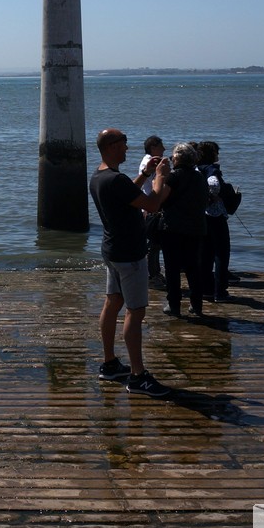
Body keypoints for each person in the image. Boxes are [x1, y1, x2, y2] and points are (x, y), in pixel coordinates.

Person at [89, 128, 173, 398]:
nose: (127, 149)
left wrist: (146, 174)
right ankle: (138, 376)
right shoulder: (116, 180)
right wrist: (160, 178)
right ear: (113, 146)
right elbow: (152, 204)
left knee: (113, 301)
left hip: (112, 250)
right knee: (135, 312)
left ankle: (110, 363)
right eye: (124, 145)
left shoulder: (100, 177)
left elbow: (127, 195)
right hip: (130, 254)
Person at [154, 142, 210, 318]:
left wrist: (159, 176)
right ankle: (196, 305)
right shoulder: (199, 177)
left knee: (172, 268)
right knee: (193, 267)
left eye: (173, 157)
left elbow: (159, 199)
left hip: (173, 228)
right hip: (196, 227)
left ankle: (174, 304)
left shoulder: (174, 177)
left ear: (177, 158)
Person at [197, 141, 232, 301]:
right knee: (221, 254)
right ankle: (220, 291)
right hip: (216, 216)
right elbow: (214, 184)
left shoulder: (196, 169)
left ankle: (206, 289)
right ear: (212, 154)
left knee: (206, 254)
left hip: (202, 217)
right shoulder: (211, 169)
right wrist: (212, 197)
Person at [138, 136, 169, 285]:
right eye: (161, 146)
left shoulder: (149, 160)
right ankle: (152, 275)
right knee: (153, 242)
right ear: (153, 147)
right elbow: (158, 181)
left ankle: (154, 273)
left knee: (155, 242)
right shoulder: (150, 162)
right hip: (151, 205)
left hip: (151, 204)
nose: (164, 149)